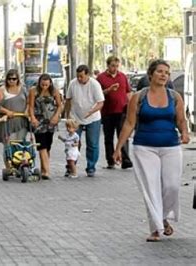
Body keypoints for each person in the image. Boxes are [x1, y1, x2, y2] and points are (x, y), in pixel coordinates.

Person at [113, 59, 190, 242]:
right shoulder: (138, 97)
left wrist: (185, 133)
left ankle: (162, 217)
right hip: (144, 147)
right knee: (151, 187)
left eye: (167, 73)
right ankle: (156, 227)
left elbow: (181, 120)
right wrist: (118, 148)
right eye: (160, 72)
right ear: (151, 74)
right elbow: (130, 123)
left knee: (171, 186)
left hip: (170, 146)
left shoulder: (174, 97)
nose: (164, 75)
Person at [64, 64, 105, 177]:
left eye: (81, 76)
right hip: (75, 117)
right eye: (78, 76)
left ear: (88, 74)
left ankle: (91, 167)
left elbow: (100, 103)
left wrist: (92, 111)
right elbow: (68, 100)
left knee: (92, 143)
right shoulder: (73, 84)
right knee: (72, 143)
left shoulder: (95, 85)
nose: (79, 79)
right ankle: (71, 167)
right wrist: (67, 115)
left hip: (93, 118)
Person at [97, 56, 133, 169]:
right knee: (108, 137)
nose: (115, 68)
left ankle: (125, 160)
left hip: (121, 111)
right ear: (108, 65)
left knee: (123, 135)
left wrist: (131, 105)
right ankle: (111, 160)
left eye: (117, 66)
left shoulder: (122, 76)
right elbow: (97, 94)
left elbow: (128, 92)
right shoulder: (101, 78)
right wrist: (109, 90)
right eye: (113, 66)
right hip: (107, 112)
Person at [0, 69, 29, 172]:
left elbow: (29, 102)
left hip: (21, 121)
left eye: (14, 79)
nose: (12, 81)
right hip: (7, 122)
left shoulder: (23, 89)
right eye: (9, 79)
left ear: (18, 79)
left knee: (21, 144)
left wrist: (26, 110)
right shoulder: (2, 90)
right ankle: (9, 167)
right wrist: (7, 111)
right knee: (8, 144)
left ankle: (20, 164)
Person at [28, 73, 62, 179]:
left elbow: (60, 105)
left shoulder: (54, 91)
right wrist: (32, 118)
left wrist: (56, 116)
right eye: (42, 84)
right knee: (41, 145)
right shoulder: (33, 91)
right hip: (39, 121)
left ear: (50, 83)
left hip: (51, 121)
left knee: (47, 146)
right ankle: (47, 171)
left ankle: (44, 169)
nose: (44, 86)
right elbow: (31, 106)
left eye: (46, 85)